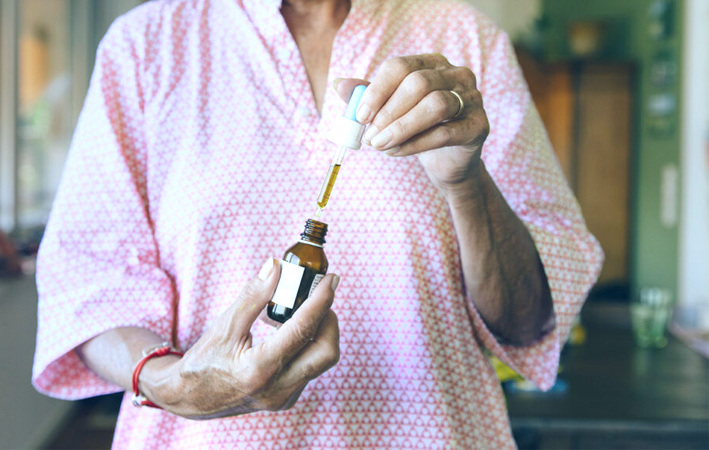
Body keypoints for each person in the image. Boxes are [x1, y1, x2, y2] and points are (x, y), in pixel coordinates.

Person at [32, 0, 603, 448]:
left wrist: (465, 182)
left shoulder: (464, 40)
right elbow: (89, 286)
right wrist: (167, 382)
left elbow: (530, 319)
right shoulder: (147, 46)